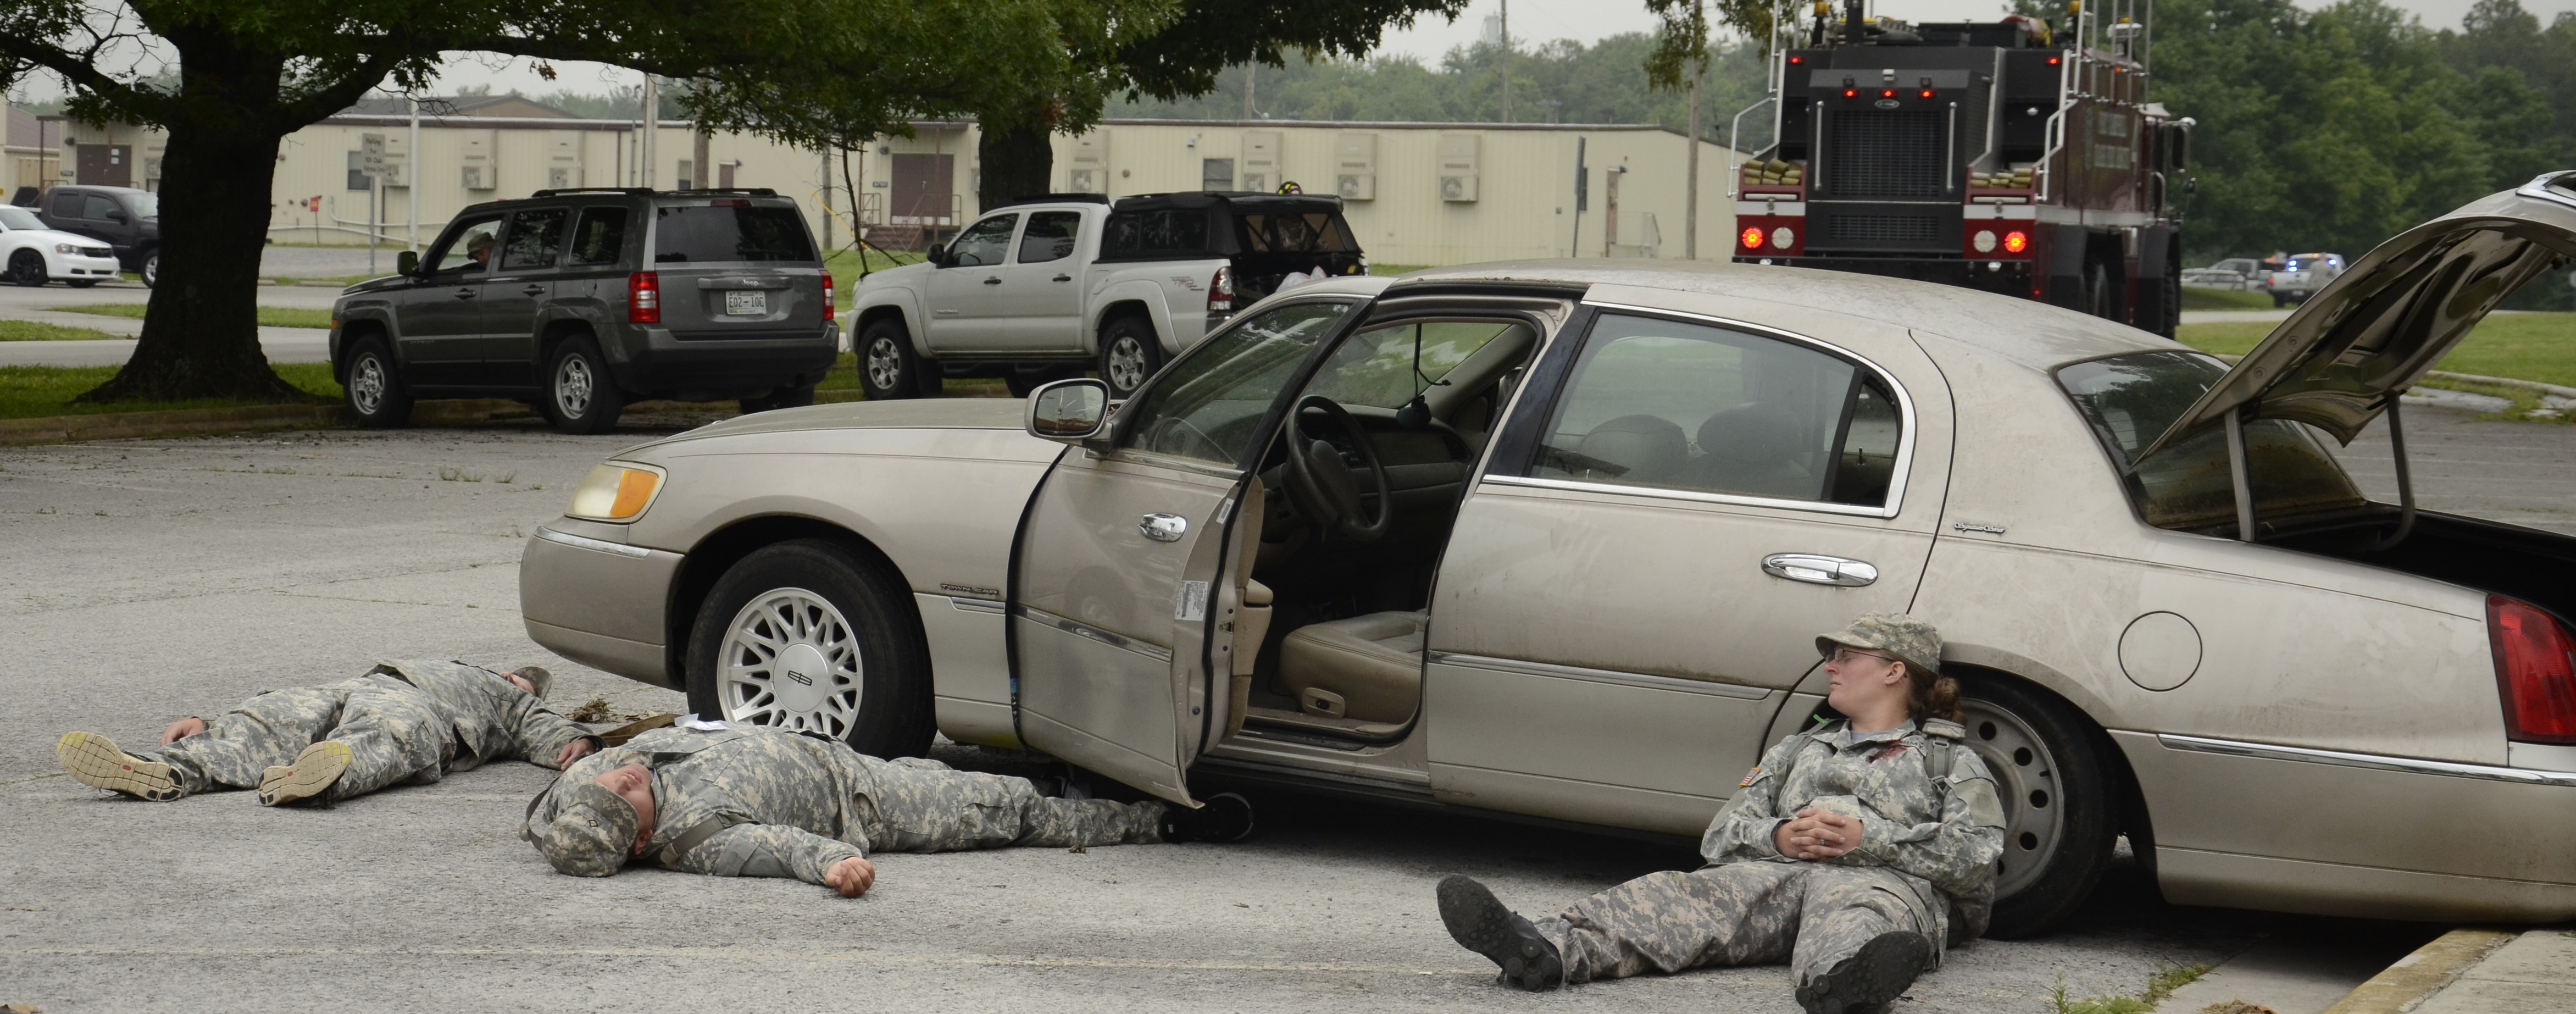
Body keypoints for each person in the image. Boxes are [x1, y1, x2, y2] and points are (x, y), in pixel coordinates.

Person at [1435, 614, 2006, 1014]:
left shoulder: (1947, 760)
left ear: (1894, 670)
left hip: (1881, 882)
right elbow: (1720, 835)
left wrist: (1866, 837)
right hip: (1774, 874)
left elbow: (1977, 858)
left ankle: (1844, 988)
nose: (1829, 667)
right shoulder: (1797, 749)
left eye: (1845, 656)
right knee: (1676, 895)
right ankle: (1541, 949)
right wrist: (1779, 835)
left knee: (1857, 917)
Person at [524, 725, 1254, 893]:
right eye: (625, 795)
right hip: (862, 803)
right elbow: (781, 846)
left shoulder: (587, 788)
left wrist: (574, 771)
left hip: (834, 752)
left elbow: (544, 810)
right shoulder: (699, 839)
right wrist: (837, 863)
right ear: (644, 839)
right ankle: (1159, 821)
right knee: (997, 809)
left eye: (610, 780)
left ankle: (1081, 779)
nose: (624, 774)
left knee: (980, 769)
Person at [55, 660, 597, 807]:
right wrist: (211, 720)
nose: (517, 682)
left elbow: (546, 728)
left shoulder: (508, 701)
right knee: (265, 718)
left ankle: (311, 779)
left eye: (524, 683)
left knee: (383, 737)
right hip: (349, 686)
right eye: (517, 676)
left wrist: (577, 745)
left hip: (417, 708)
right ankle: (166, 766)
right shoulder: (466, 665)